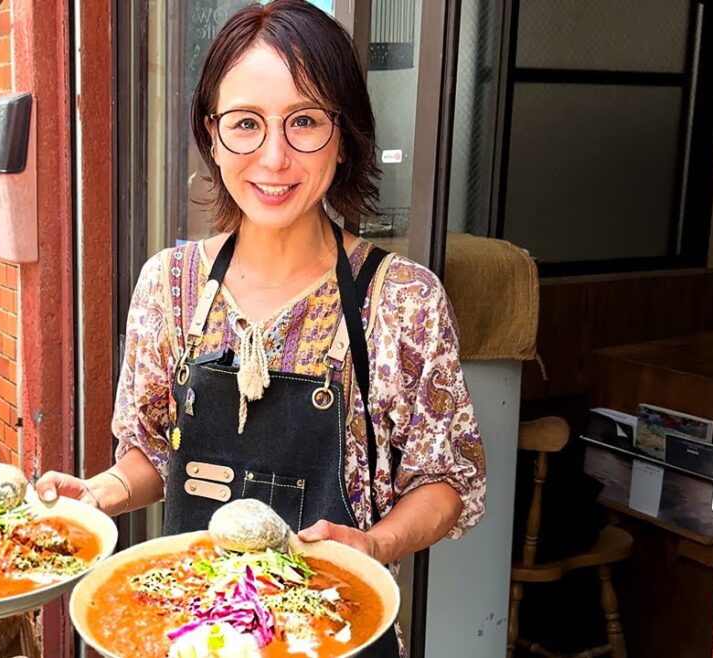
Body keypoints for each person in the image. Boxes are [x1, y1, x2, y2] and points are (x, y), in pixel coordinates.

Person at [35, 1, 486, 655]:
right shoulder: (171, 286)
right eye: (246, 123)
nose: (273, 157)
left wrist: (375, 544)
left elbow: (443, 480)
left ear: (344, 135)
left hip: (333, 631)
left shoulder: (402, 302)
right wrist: (99, 491)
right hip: (195, 631)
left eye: (304, 121)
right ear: (212, 136)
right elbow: (153, 453)